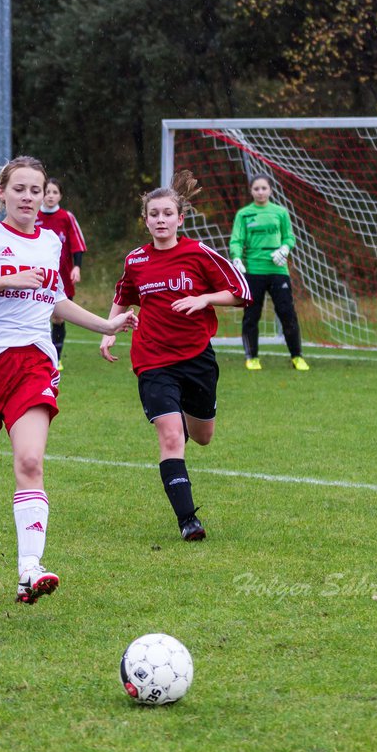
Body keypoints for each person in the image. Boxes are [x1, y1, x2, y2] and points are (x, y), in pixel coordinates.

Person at [0, 156, 137, 603]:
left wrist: (105, 326)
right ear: (3, 194)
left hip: (33, 360)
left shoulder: (51, 241)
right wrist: (4, 278)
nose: (29, 197)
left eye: (36, 189)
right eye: (21, 189)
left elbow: (54, 299)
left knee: (30, 462)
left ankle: (29, 570)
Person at [100, 172, 251, 541]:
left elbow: (242, 292)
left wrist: (205, 298)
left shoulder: (199, 254)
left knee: (202, 437)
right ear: (146, 219)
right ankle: (189, 521)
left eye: (168, 213)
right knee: (171, 439)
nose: (161, 220)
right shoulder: (136, 260)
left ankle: (182, 413)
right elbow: (124, 295)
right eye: (154, 214)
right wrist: (109, 330)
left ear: (180, 218)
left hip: (197, 358)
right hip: (152, 359)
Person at [229, 173, 309, 371]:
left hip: (278, 270)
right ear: (251, 191)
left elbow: (289, 237)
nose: (260, 192)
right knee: (251, 315)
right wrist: (237, 258)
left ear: (270, 190)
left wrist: (284, 249)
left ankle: (297, 356)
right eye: (256, 188)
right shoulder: (244, 214)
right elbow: (236, 240)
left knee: (287, 313)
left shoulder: (280, 212)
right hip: (254, 270)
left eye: (264, 188)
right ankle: (252, 356)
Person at [35, 178, 88, 371]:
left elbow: (77, 244)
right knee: (38, 316)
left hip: (62, 277)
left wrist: (77, 267)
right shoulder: (33, 215)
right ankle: (39, 356)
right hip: (37, 275)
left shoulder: (66, 217)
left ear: (60, 196)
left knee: (58, 317)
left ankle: (55, 358)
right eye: (47, 192)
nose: (50, 196)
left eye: (54, 192)